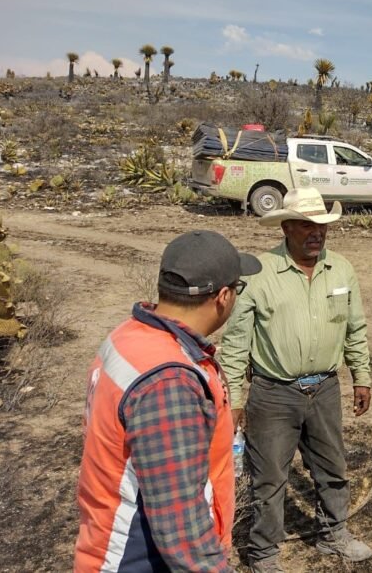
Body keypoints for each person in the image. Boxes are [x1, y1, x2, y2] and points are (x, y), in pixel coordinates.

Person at [75, 230, 262, 572]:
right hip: (141, 559)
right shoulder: (169, 382)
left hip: (106, 540)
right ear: (223, 296)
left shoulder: (130, 337)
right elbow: (182, 534)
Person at [218, 188, 372, 572]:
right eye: (306, 224)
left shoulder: (342, 269)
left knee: (332, 467)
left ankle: (333, 535)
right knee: (269, 478)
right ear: (286, 226)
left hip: (325, 388)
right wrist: (235, 399)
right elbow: (236, 342)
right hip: (273, 393)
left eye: (321, 224)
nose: (316, 232)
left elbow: (355, 328)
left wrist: (362, 377)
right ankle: (265, 554)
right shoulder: (258, 273)